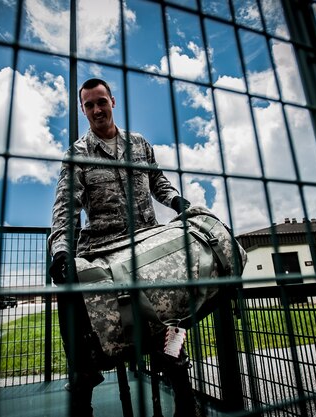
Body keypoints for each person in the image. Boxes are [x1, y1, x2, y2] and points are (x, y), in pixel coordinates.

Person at [47, 78, 197, 416]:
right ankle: (83, 390)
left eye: (102, 101)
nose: (97, 109)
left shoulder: (139, 144)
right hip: (103, 248)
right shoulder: (77, 154)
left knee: (167, 316)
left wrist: (177, 202)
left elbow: (158, 181)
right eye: (89, 105)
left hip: (146, 242)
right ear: (82, 110)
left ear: (112, 101)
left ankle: (184, 397)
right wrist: (61, 250)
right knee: (74, 310)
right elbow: (65, 206)